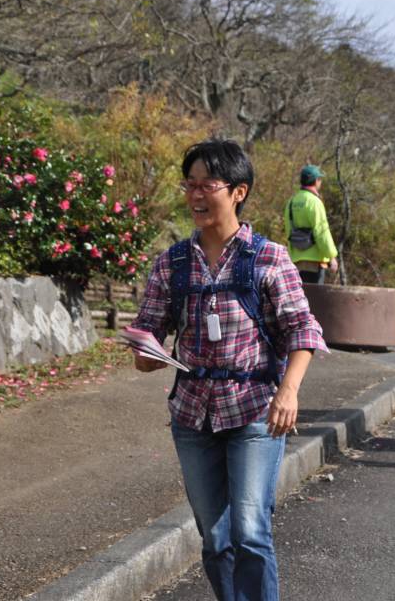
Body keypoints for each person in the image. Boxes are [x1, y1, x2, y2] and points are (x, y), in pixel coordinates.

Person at [131, 139, 326, 601]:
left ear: (238, 192)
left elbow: (303, 330)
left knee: (250, 532)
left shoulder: (269, 257)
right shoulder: (172, 262)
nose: (196, 196)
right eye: (190, 185)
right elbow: (148, 333)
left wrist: (289, 391)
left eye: (208, 186)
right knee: (216, 539)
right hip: (192, 415)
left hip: (256, 410)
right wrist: (145, 351)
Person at [284, 164, 338, 284]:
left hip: (295, 263)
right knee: (314, 301)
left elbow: (289, 231)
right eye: (320, 179)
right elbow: (321, 232)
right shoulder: (314, 202)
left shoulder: (292, 202)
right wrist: (331, 256)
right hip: (314, 262)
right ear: (316, 181)